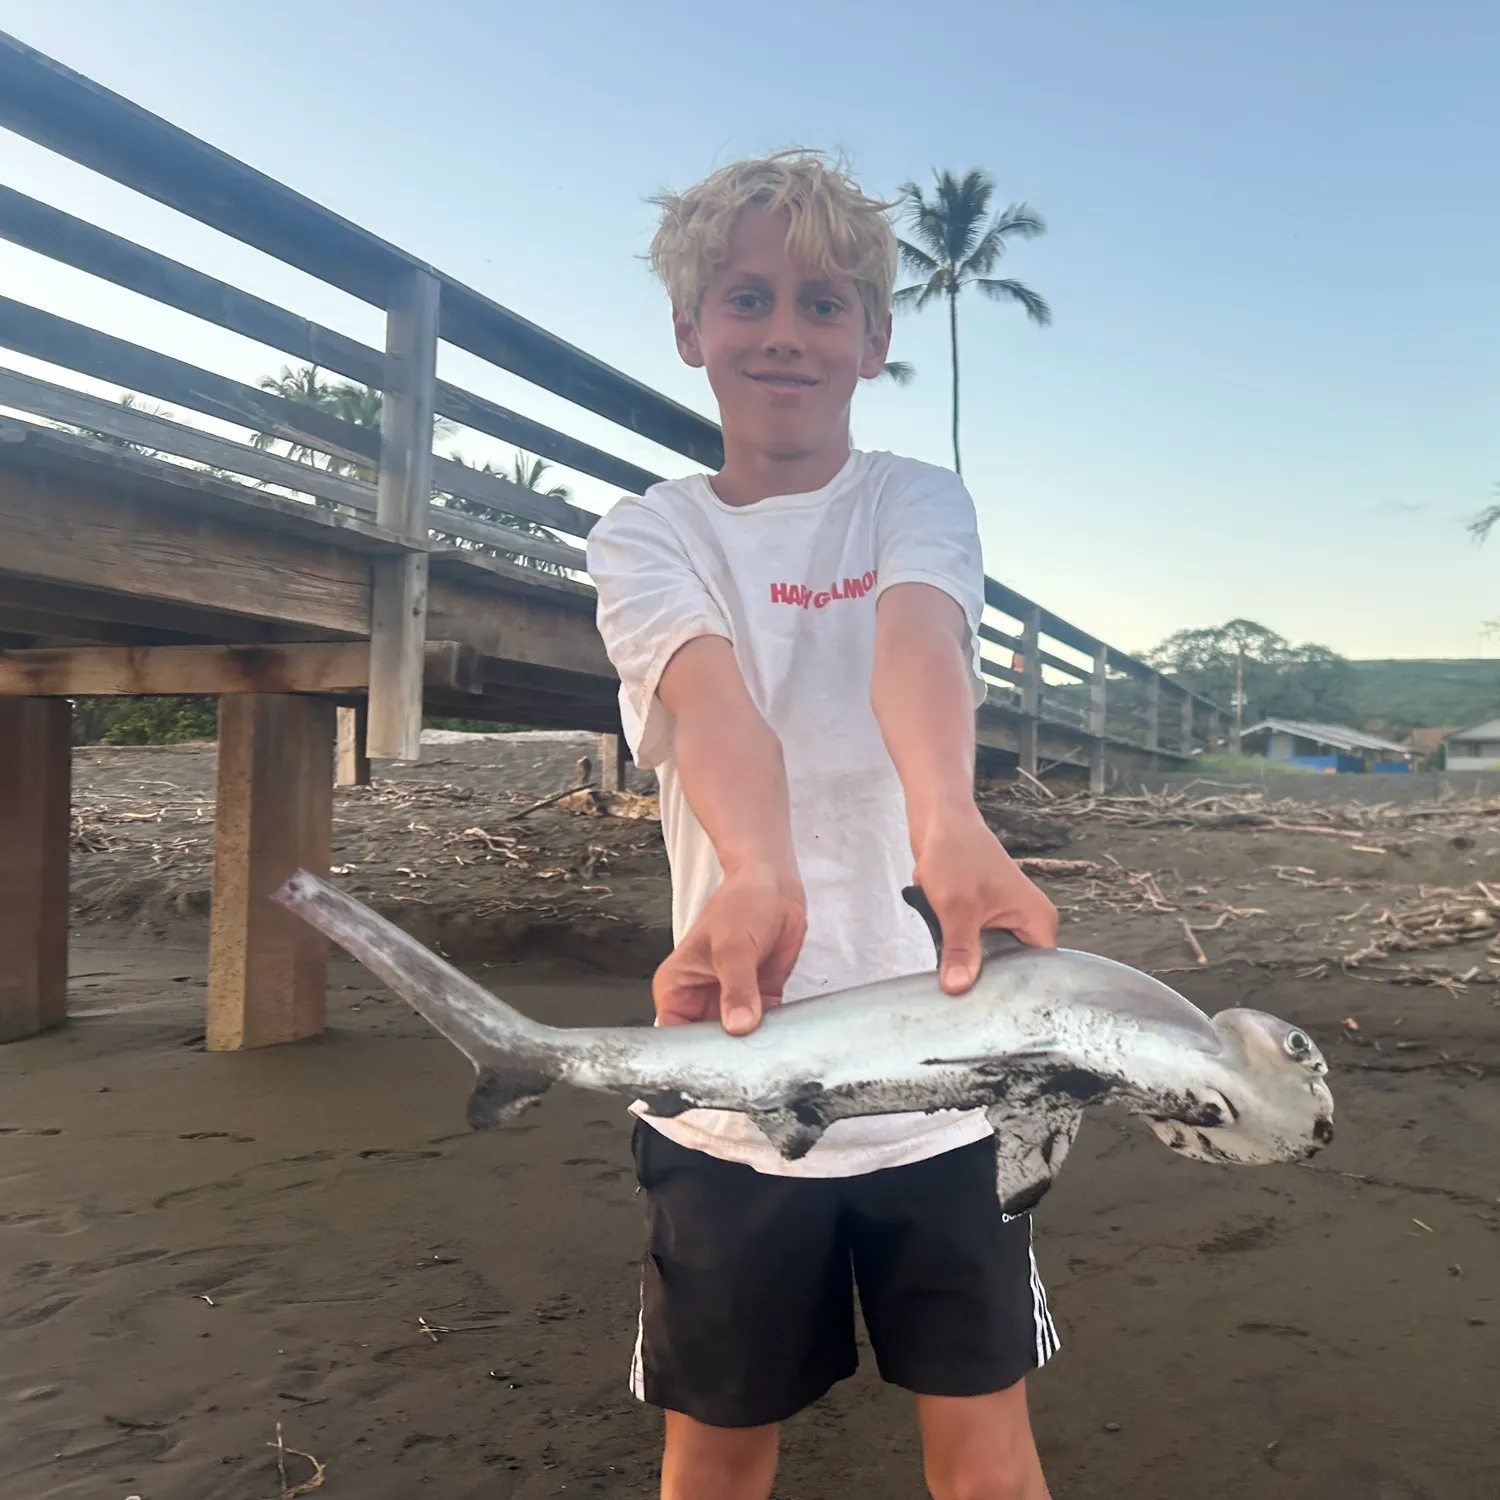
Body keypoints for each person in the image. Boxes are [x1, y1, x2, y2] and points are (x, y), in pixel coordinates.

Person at [586, 150, 1061, 1500]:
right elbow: (710, 706)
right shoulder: (647, 535)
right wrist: (757, 871)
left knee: (986, 1459)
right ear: (691, 329)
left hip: (950, 1092)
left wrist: (948, 819)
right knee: (717, 1459)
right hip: (732, 1085)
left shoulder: (915, 502)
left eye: (822, 302)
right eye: (747, 298)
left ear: (874, 339)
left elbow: (916, 648)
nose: (785, 331)